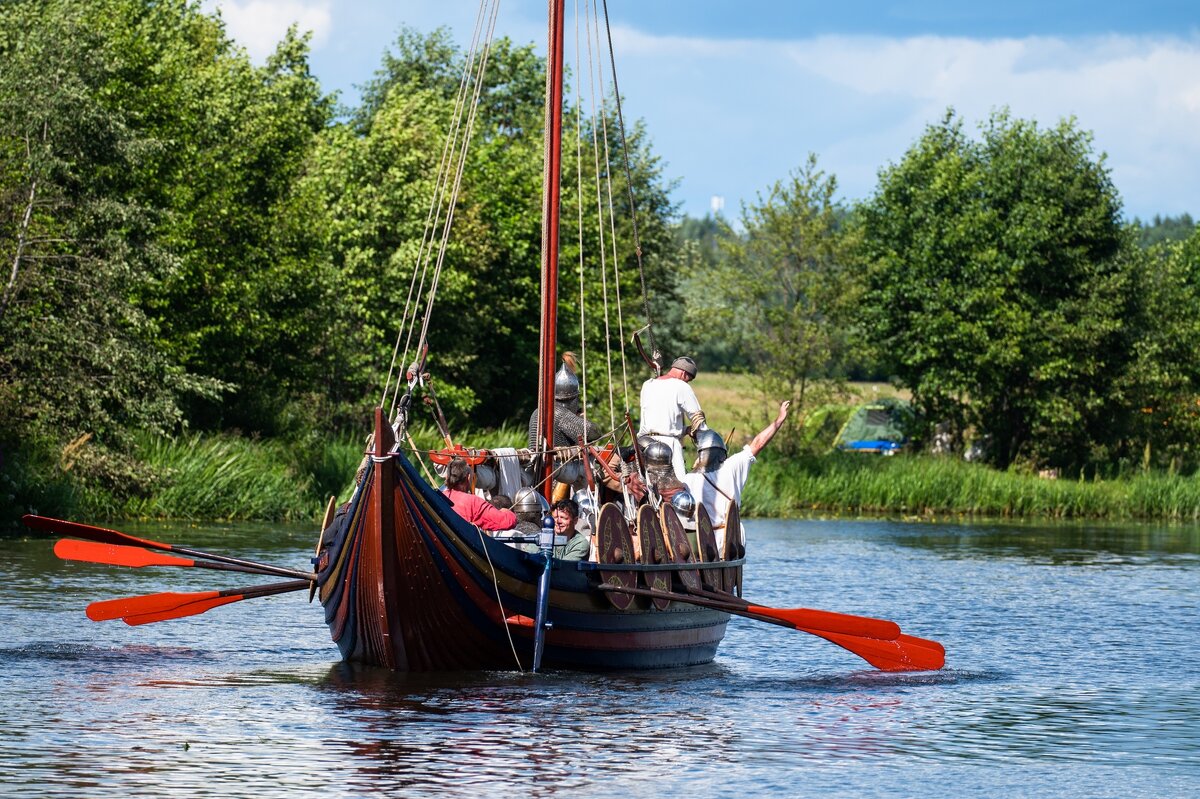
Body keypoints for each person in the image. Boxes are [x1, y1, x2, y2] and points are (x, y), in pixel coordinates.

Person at [682, 400, 791, 550]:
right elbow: (758, 443)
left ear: (700, 454)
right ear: (722, 453)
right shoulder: (731, 466)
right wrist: (779, 420)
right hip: (730, 542)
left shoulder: (688, 479)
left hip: (702, 544)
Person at [639, 355, 708, 480]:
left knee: (643, 486)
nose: (687, 382)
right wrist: (708, 445)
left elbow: (659, 422)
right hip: (669, 446)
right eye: (688, 379)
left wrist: (685, 430)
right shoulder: (681, 386)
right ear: (683, 374)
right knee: (680, 487)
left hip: (644, 444)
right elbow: (698, 419)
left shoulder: (647, 385)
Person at [441, 457, 517, 531]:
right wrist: (506, 512)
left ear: (447, 477)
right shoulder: (472, 502)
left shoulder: (440, 497)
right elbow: (509, 521)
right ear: (468, 477)